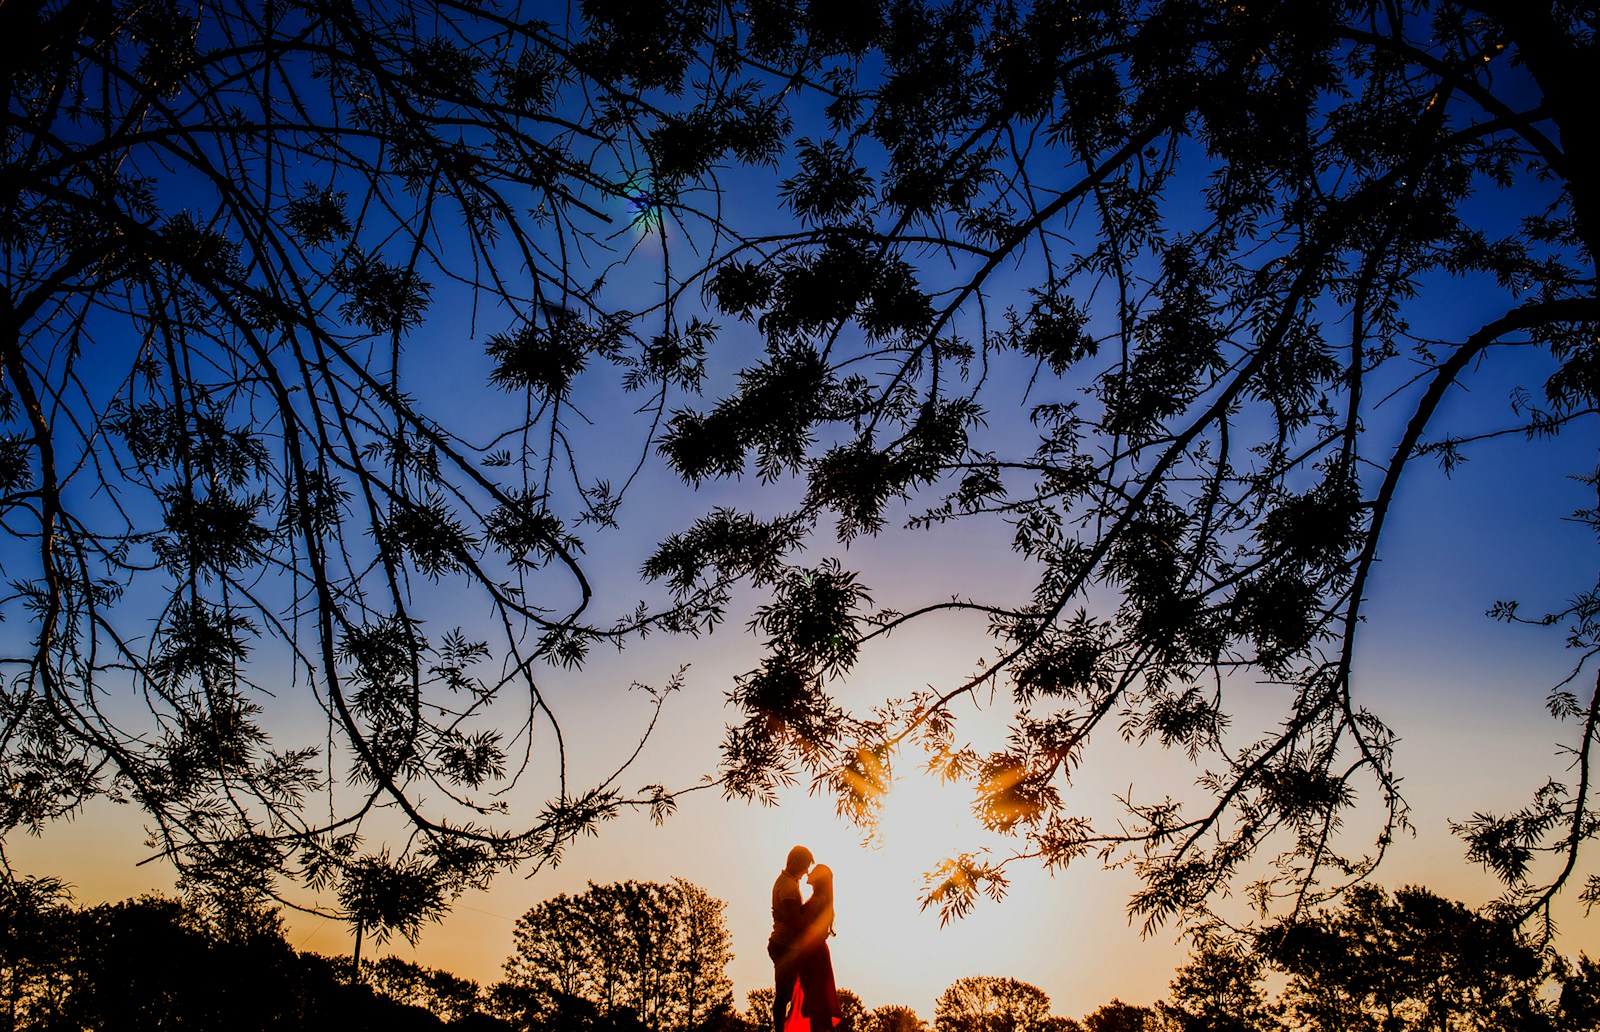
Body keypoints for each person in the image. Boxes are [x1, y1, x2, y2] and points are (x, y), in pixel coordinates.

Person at [784, 863, 841, 1032]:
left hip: (814, 956)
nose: (809, 873)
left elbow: (805, 927)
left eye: (813, 871)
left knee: (817, 1004)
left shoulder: (818, 901)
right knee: (817, 1003)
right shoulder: (819, 900)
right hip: (815, 955)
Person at [769, 845, 813, 1032]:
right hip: (784, 945)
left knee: (788, 994)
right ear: (794, 862)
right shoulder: (787, 885)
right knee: (783, 995)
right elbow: (791, 917)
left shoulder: (790, 882)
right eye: (804, 866)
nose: (806, 872)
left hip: (786, 945)